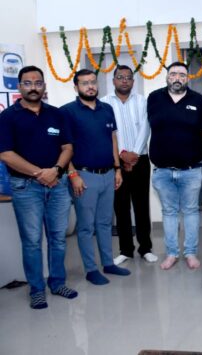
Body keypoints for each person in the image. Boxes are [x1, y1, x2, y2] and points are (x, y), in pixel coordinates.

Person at [0, 66, 78, 309]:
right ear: (19, 86)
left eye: (37, 83)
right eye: (27, 83)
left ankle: (57, 283)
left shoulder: (57, 114)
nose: (33, 87)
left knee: (58, 238)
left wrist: (55, 170)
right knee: (32, 241)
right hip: (26, 188)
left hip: (58, 185)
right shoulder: (8, 117)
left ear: (44, 86)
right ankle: (36, 290)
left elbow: (68, 147)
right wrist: (40, 174)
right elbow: (6, 154)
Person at [61, 69, 130, 285]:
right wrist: (72, 174)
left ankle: (108, 263)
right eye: (84, 83)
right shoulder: (67, 112)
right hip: (83, 176)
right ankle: (91, 269)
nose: (90, 86)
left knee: (105, 223)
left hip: (108, 174)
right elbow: (63, 147)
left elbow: (113, 139)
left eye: (93, 82)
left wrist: (117, 169)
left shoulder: (106, 109)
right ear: (76, 87)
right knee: (86, 226)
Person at [147, 62, 202, 270]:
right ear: (167, 77)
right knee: (169, 212)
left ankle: (190, 253)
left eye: (182, 74)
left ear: (187, 78)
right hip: (162, 171)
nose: (177, 78)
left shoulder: (198, 100)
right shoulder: (154, 98)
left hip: (191, 170)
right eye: (173, 74)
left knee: (190, 211)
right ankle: (172, 253)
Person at [101, 65, 157, 265]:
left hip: (140, 160)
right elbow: (107, 133)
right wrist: (122, 156)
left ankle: (145, 248)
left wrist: (133, 154)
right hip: (116, 162)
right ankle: (125, 250)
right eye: (120, 77)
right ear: (113, 81)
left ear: (133, 81)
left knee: (142, 205)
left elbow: (145, 128)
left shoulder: (142, 101)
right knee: (121, 206)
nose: (124, 80)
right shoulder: (104, 103)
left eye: (128, 77)